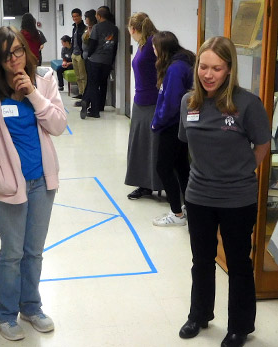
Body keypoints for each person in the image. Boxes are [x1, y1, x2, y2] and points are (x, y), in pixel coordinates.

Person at [0, 26, 67, 341]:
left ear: (27, 51)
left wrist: (34, 94)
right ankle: (5, 315)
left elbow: (58, 125)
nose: (14, 60)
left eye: (19, 51)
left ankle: (31, 307)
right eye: (7, 55)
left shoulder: (44, 81)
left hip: (41, 182)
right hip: (7, 186)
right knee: (12, 253)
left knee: (33, 251)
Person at [178, 36, 270, 347]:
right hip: (199, 196)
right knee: (201, 260)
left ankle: (240, 327)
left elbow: (262, 145)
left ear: (229, 70)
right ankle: (199, 314)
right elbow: (187, 144)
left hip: (237, 199)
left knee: (238, 263)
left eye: (216, 68)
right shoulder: (188, 102)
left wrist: (241, 170)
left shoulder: (247, 104)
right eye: (203, 66)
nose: (208, 74)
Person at [151, 31, 195, 226]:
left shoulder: (176, 69)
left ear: (163, 49)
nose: (153, 51)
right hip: (180, 124)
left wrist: (157, 122)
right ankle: (190, 207)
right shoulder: (182, 63)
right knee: (181, 166)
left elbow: (172, 103)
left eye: (155, 47)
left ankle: (177, 213)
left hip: (172, 126)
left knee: (164, 167)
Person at [124, 12, 163, 200]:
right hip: (140, 100)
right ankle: (144, 184)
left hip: (152, 102)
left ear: (133, 29)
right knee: (140, 146)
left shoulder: (154, 43)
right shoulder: (142, 44)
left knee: (153, 146)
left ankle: (157, 184)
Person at [80, 7, 118, 119]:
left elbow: (92, 44)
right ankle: (100, 106)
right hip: (107, 61)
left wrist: (89, 55)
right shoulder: (114, 29)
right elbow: (115, 46)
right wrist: (111, 61)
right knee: (103, 83)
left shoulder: (97, 27)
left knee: (93, 84)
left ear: (99, 16)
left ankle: (93, 108)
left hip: (95, 60)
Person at [70, 8, 87, 98]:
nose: (75, 18)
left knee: (82, 76)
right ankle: (80, 92)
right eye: (73, 16)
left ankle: (84, 93)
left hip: (80, 54)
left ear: (80, 16)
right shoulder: (74, 28)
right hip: (74, 54)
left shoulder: (84, 28)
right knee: (77, 75)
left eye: (77, 16)